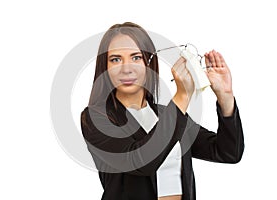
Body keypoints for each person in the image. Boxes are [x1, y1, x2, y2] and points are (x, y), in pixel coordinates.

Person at [80, 22, 244, 200]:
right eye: (115, 59)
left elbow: (228, 152)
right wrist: (182, 96)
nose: (126, 68)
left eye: (136, 57)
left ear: (149, 63)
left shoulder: (168, 114)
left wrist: (225, 97)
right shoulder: (96, 118)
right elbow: (141, 162)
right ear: (105, 67)